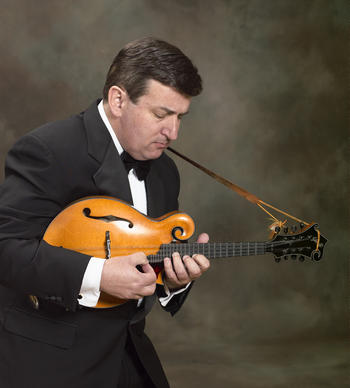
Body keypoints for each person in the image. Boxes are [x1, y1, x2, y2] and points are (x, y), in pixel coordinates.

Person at [0, 37, 210, 388]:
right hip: (50, 360)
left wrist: (172, 280)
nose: (172, 132)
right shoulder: (47, 150)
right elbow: (5, 248)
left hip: (128, 355)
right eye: (162, 115)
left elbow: (146, 265)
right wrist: (98, 275)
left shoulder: (164, 171)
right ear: (118, 99)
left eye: (180, 118)